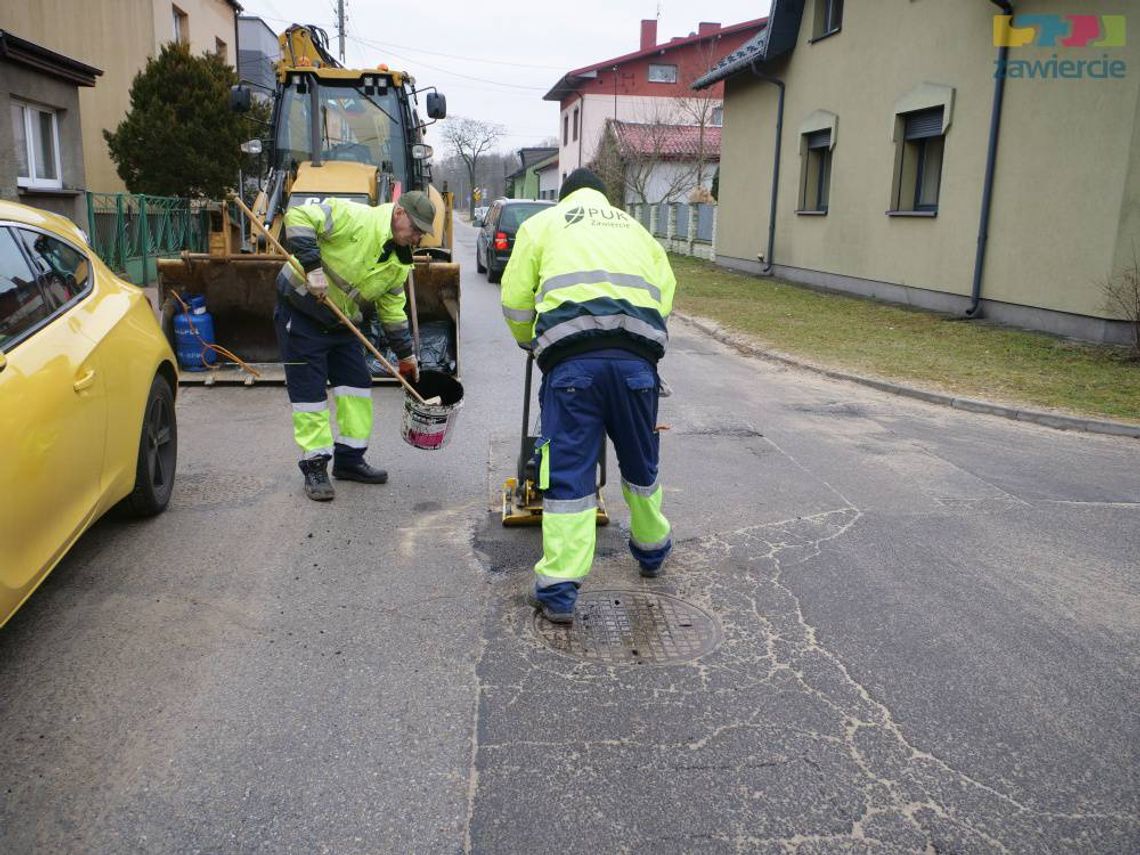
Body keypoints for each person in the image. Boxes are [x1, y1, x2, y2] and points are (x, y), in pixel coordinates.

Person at [501, 168, 675, 623]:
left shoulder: (543, 224)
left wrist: (530, 340)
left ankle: (559, 588)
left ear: (565, 197)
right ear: (604, 198)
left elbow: (517, 299)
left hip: (573, 368)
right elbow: (665, 295)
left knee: (570, 473)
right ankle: (652, 551)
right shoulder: (637, 230)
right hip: (637, 367)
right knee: (641, 462)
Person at [275, 191, 436, 501]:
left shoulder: (399, 263)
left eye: (421, 234)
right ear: (398, 212)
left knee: (357, 386)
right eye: (414, 228)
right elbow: (298, 216)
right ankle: (315, 465)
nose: (416, 237)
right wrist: (312, 267)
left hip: (342, 322)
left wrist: (406, 357)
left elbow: (392, 310)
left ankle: (349, 459)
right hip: (301, 311)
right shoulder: (354, 216)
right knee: (309, 393)